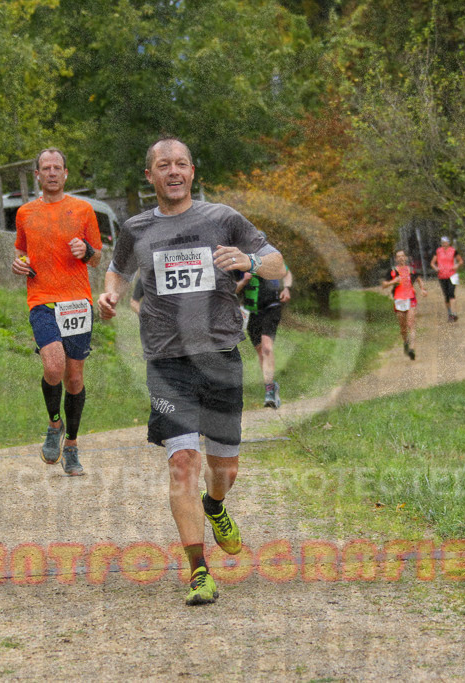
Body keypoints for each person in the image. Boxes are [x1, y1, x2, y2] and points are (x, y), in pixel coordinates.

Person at [97, 137, 285, 606]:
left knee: (225, 468)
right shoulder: (136, 227)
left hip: (220, 356)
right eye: (164, 165)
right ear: (151, 176)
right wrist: (111, 294)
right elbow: (117, 269)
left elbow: (277, 262)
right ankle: (199, 570)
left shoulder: (222, 218)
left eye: (181, 164)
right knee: (183, 461)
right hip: (165, 361)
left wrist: (252, 262)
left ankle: (215, 505)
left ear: (193, 172)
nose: (173, 171)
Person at [11, 148, 103, 476]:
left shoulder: (83, 210)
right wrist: (19, 264)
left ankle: (73, 445)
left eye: (57, 168)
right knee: (53, 366)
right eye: (45, 168)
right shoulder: (24, 213)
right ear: (37, 174)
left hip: (77, 302)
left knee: (74, 377)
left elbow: (96, 258)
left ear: (66, 174)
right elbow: (22, 251)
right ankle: (54, 424)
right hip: (41, 299)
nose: (51, 173)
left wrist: (87, 250)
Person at [236, 261, 293, 408]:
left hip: (271, 306)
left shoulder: (269, 258)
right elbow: (233, 289)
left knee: (267, 348)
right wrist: (244, 280)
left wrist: (286, 288)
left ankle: (269, 391)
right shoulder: (239, 263)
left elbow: (286, 272)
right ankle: (271, 386)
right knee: (261, 351)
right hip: (252, 312)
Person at [382, 249, 426, 360]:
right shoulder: (392, 271)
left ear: (406, 257)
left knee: (411, 324)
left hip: (410, 298)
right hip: (399, 300)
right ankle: (406, 342)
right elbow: (384, 285)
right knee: (403, 327)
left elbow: (419, 279)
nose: (401, 258)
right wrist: (393, 281)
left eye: (403, 256)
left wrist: (422, 289)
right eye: (398, 256)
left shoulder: (411, 269)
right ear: (396, 259)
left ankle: (412, 349)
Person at [430, 235, 464, 322]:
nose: (444, 244)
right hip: (442, 275)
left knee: (451, 293)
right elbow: (432, 263)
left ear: (449, 243)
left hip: (452, 275)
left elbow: (460, 261)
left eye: (446, 243)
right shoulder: (438, 251)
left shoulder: (453, 251)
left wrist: (456, 265)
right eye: (443, 243)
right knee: (446, 296)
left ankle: (454, 313)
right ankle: (449, 313)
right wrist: (436, 268)